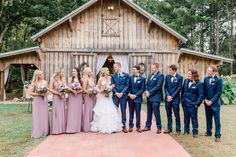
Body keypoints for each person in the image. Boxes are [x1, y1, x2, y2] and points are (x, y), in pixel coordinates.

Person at [91, 67, 122, 134]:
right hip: (102, 97)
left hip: (109, 97)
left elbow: (113, 85)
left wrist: (110, 88)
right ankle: (101, 127)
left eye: (108, 70)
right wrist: (101, 91)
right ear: (104, 71)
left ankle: (113, 127)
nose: (108, 71)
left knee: (111, 110)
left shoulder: (110, 78)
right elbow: (97, 87)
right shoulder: (100, 79)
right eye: (107, 70)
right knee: (103, 111)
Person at [143, 63, 164, 134]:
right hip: (149, 97)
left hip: (156, 97)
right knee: (149, 112)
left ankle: (159, 127)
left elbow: (158, 86)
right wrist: (146, 91)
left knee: (156, 112)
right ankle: (148, 126)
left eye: (153, 68)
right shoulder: (150, 75)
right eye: (151, 68)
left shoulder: (160, 76)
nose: (152, 69)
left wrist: (150, 92)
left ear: (157, 68)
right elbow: (147, 84)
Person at [182, 69, 203, 138]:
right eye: (188, 74)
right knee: (186, 117)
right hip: (185, 103)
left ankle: (195, 132)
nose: (188, 75)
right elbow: (183, 91)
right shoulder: (185, 81)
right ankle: (186, 130)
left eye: (190, 74)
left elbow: (201, 95)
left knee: (194, 118)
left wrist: (197, 104)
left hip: (193, 104)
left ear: (194, 75)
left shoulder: (199, 84)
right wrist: (182, 100)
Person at [204, 65, 223, 142]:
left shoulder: (219, 80)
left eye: (209, 70)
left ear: (214, 71)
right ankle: (208, 132)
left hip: (215, 103)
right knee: (208, 118)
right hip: (206, 102)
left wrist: (211, 101)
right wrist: (205, 99)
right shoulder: (205, 79)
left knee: (216, 119)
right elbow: (204, 90)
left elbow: (219, 92)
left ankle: (217, 135)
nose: (208, 72)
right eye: (207, 70)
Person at [29, 70, 49, 138]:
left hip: (43, 100)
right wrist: (38, 94)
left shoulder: (45, 82)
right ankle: (38, 131)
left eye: (42, 74)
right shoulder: (35, 83)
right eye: (40, 74)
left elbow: (47, 91)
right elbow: (30, 92)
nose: (41, 75)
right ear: (37, 76)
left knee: (44, 115)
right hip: (37, 101)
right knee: (37, 115)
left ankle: (45, 131)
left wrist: (45, 94)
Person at [164, 64, 183, 135]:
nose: (169, 71)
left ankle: (178, 129)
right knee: (169, 114)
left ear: (174, 70)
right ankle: (169, 128)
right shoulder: (167, 77)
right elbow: (165, 87)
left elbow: (179, 88)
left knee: (176, 114)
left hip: (175, 99)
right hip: (167, 99)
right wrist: (168, 95)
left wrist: (172, 96)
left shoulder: (180, 77)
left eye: (170, 70)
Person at [111, 62, 130, 133]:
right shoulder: (113, 76)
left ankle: (124, 126)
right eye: (114, 67)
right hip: (115, 96)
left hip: (123, 96)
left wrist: (122, 93)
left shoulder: (126, 75)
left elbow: (127, 85)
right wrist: (116, 92)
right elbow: (112, 85)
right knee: (115, 111)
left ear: (119, 67)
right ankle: (114, 126)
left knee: (123, 111)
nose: (114, 68)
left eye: (115, 67)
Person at [49, 68, 67, 134]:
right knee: (57, 112)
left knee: (62, 111)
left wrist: (64, 92)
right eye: (62, 72)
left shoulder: (63, 78)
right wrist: (57, 93)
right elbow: (50, 89)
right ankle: (56, 129)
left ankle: (62, 129)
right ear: (59, 73)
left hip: (62, 96)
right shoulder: (52, 78)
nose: (63, 74)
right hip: (56, 97)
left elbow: (65, 87)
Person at [128, 65, 145, 133]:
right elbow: (127, 87)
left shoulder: (142, 78)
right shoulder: (130, 78)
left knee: (138, 113)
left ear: (138, 70)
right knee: (131, 113)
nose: (133, 71)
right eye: (132, 70)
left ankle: (138, 127)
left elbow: (142, 89)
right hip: (130, 98)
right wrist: (129, 94)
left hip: (138, 98)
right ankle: (130, 126)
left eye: (134, 69)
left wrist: (135, 95)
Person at [66, 67, 83, 133]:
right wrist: (72, 90)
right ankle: (71, 127)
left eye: (74, 71)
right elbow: (67, 88)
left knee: (78, 111)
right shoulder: (70, 79)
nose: (73, 72)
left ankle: (77, 128)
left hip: (78, 97)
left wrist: (78, 91)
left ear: (77, 72)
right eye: (72, 71)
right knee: (71, 111)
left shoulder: (81, 80)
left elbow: (82, 89)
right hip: (71, 96)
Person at [82, 67, 96, 132]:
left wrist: (94, 91)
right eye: (89, 72)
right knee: (88, 110)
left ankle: (92, 125)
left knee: (92, 110)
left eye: (91, 72)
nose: (91, 73)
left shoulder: (92, 79)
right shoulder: (85, 79)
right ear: (87, 73)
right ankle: (87, 126)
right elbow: (84, 89)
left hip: (93, 96)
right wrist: (89, 92)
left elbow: (94, 87)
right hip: (88, 96)